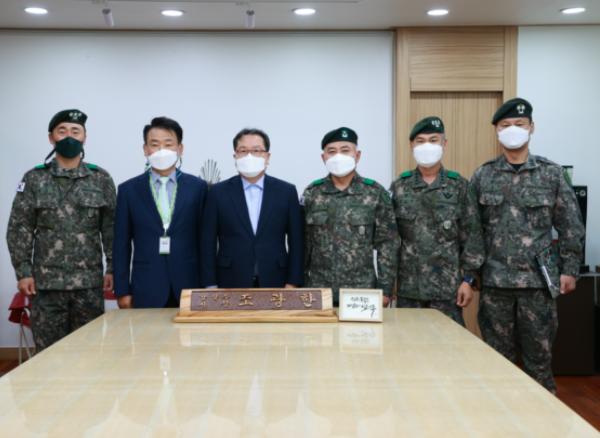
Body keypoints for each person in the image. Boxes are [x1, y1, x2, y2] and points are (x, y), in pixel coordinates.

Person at [471, 97, 585, 393]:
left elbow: (571, 224)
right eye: (505, 125)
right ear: (497, 131)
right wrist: (470, 275)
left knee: (539, 364)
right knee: (497, 363)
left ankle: (543, 419)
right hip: (495, 285)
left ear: (531, 127)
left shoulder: (551, 173)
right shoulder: (483, 175)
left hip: (538, 286)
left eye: (519, 124)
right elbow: (472, 231)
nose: (513, 130)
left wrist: (570, 269)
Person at [6, 109, 116, 351]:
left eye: (76, 131)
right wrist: (23, 272)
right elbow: (19, 228)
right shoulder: (34, 179)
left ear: (84, 137)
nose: (69, 137)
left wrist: (112, 267)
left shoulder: (100, 179)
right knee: (48, 354)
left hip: (88, 285)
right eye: (62, 131)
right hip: (46, 286)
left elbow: (111, 229)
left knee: (90, 352)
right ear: (51, 137)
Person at [390, 116, 485, 324]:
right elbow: (390, 241)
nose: (427, 146)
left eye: (433, 140)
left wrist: (468, 280)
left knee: (449, 343)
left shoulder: (459, 186)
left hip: (448, 290)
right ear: (411, 145)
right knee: (408, 342)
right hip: (409, 290)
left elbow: (472, 237)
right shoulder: (399, 187)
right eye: (420, 141)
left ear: (444, 144)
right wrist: (389, 285)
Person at [113, 117, 207, 308]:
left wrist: (208, 285)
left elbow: (206, 242)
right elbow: (121, 244)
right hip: (146, 286)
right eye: (155, 144)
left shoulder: (198, 188)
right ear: (145, 149)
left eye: (168, 144)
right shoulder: (128, 190)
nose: (161, 150)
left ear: (180, 148)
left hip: (190, 286)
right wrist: (122, 290)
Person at [302, 127, 398, 305]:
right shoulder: (312, 193)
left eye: (345, 150)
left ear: (357, 155)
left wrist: (385, 289)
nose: (338, 156)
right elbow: (304, 244)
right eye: (331, 151)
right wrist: (299, 285)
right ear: (323, 157)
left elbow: (387, 245)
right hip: (319, 290)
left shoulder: (375, 193)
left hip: (361, 292)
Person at [201, 128, 303, 288]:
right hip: (230, 280)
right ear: (235, 156)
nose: (249, 156)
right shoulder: (218, 192)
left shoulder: (286, 191)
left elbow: (297, 241)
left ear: (267, 157)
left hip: (276, 279)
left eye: (256, 151)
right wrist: (210, 284)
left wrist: (293, 282)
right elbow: (207, 242)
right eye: (243, 151)